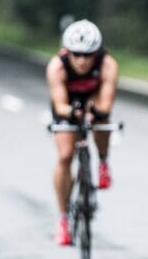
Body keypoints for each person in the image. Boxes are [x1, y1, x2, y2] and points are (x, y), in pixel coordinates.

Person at [46, 19, 119, 246]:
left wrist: (93, 111)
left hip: (94, 101)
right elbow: (59, 105)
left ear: (97, 53)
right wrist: (74, 112)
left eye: (88, 55)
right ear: (67, 51)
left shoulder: (108, 64)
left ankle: (103, 161)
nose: (82, 61)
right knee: (66, 155)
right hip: (67, 105)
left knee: (103, 119)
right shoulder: (56, 66)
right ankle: (63, 220)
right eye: (76, 54)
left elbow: (105, 104)